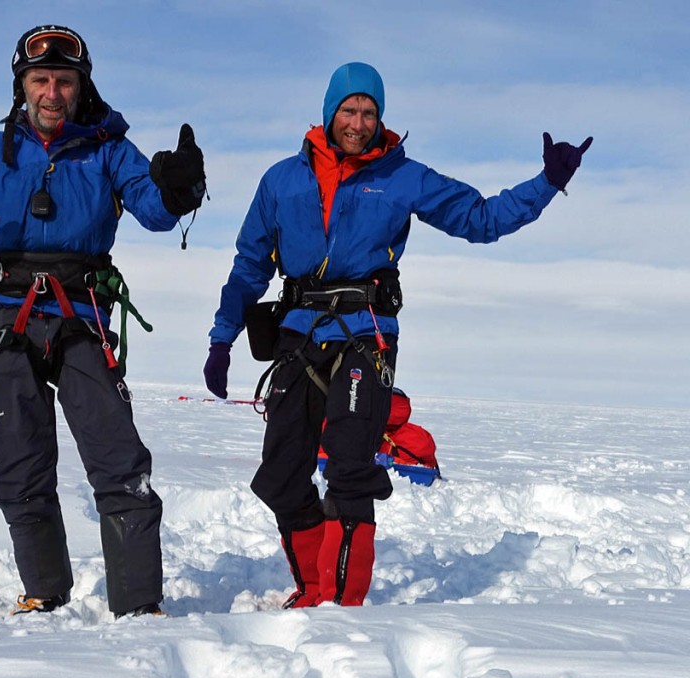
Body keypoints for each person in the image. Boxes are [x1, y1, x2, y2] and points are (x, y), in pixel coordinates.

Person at [203, 61, 590, 609]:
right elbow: (248, 265)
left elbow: (480, 218)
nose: (358, 121)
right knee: (280, 475)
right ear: (328, 112)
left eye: (368, 111)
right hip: (298, 335)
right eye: (349, 109)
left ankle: (339, 608)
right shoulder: (281, 180)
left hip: (367, 336)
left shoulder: (402, 176)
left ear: (379, 117)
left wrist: (547, 184)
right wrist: (223, 338)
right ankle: (313, 586)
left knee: (349, 469)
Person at [0, 24, 205, 618]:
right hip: (7, 314)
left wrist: (182, 188)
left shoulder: (109, 149)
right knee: (20, 459)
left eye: (64, 80)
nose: (52, 92)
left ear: (82, 88)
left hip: (81, 312)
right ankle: (44, 591)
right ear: (22, 86)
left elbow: (156, 210)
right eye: (41, 79)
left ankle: (139, 606)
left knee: (117, 455)